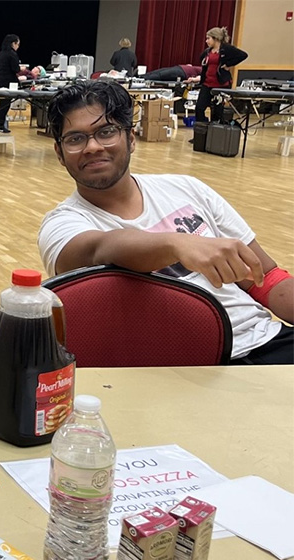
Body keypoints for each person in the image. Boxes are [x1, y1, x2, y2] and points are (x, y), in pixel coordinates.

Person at [38, 80, 292, 365]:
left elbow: (265, 279)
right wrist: (177, 243)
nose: (93, 147)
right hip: (190, 365)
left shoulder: (186, 188)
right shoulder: (62, 224)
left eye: (106, 132)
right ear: (59, 154)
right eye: (75, 139)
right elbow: (99, 249)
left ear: (131, 139)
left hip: (268, 342)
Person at [191, 27, 247, 124]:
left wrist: (229, 64)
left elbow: (243, 55)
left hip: (220, 85)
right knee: (199, 108)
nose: (206, 41)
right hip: (207, 83)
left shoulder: (226, 49)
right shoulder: (207, 52)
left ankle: (214, 132)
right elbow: (203, 63)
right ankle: (201, 131)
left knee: (217, 111)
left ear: (216, 38)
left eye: (208, 38)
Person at [0, 34, 21, 133]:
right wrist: (22, 69)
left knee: (2, 104)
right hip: (7, 82)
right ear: (13, 43)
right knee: (4, 105)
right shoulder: (12, 54)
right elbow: (15, 69)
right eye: (18, 44)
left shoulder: (1, 53)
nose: (18, 47)